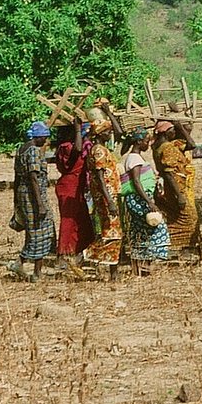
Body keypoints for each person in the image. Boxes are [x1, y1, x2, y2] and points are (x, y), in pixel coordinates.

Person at [9, 121, 56, 283]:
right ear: (40, 136)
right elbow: (34, 178)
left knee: (33, 230)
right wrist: (40, 204)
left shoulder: (21, 149)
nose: (47, 141)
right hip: (33, 195)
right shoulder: (34, 152)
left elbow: (17, 177)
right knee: (40, 231)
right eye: (46, 137)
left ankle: (20, 263)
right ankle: (36, 272)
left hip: (23, 193)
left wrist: (16, 200)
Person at [120, 126, 170, 275]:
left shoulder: (135, 157)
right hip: (139, 199)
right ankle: (143, 265)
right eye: (146, 141)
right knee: (155, 227)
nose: (148, 144)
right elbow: (136, 181)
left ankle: (141, 267)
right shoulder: (134, 158)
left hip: (140, 198)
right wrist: (149, 202)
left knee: (141, 232)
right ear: (139, 141)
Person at [83, 117, 123, 281]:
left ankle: (112, 270)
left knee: (112, 232)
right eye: (107, 131)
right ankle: (88, 255)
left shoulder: (101, 149)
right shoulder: (99, 150)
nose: (109, 133)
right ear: (99, 133)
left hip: (109, 195)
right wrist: (110, 200)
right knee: (112, 233)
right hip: (106, 197)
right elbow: (100, 177)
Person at [152, 120, 199, 253]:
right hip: (176, 187)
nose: (174, 132)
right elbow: (169, 174)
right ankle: (184, 246)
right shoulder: (168, 148)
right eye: (173, 130)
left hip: (170, 187)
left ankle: (170, 244)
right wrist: (179, 195)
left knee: (176, 216)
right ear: (167, 132)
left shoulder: (157, 145)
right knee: (190, 217)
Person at [53, 118, 93, 270]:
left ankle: (76, 252)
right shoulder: (66, 147)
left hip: (77, 187)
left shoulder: (79, 146)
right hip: (69, 187)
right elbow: (76, 150)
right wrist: (77, 129)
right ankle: (62, 255)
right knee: (68, 223)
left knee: (81, 221)